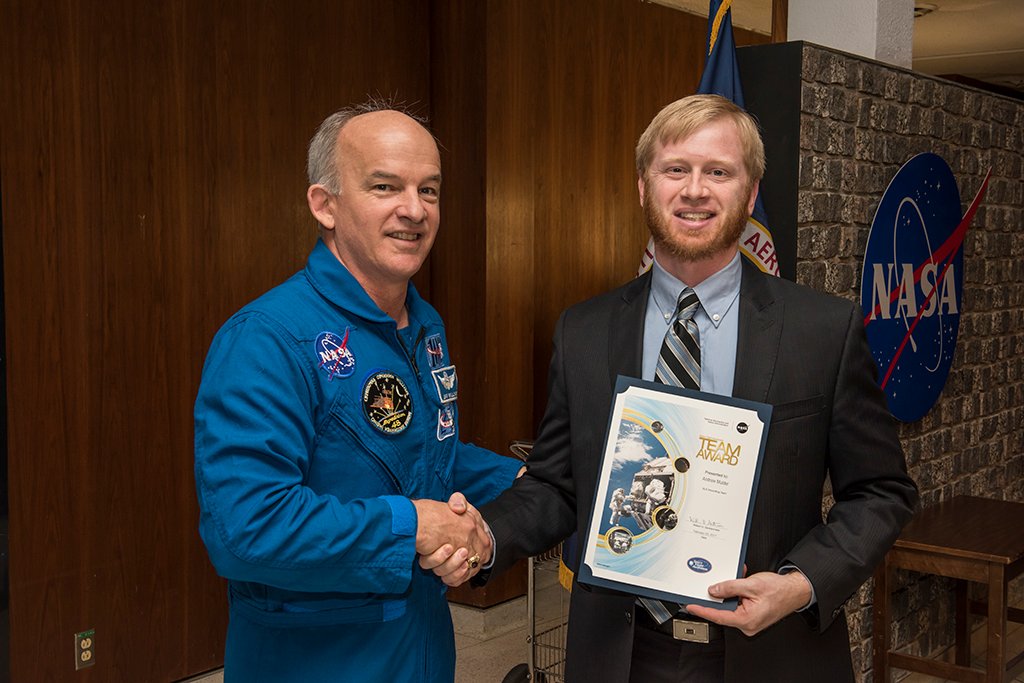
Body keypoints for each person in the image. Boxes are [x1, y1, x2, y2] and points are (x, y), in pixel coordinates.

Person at [423, 94, 918, 682]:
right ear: (643, 186)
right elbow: (558, 486)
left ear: (751, 191)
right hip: (620, 654)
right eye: (675, 169)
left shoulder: (824, 330)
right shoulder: (583, 330)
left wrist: (800, 584)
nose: (695, 189)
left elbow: (882, 491)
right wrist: (484, 538)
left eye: (719, 172)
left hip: (772, 654)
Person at [193, 101, 522, 682]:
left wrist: (525, 482)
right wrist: (411, 527)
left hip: (420, 653)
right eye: (384, 186)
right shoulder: (267, 339)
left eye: (430, 190)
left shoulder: (424, 326)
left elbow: (420, 456)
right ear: (324, 204)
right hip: (316, 662)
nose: (414, 210)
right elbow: (244, 528)